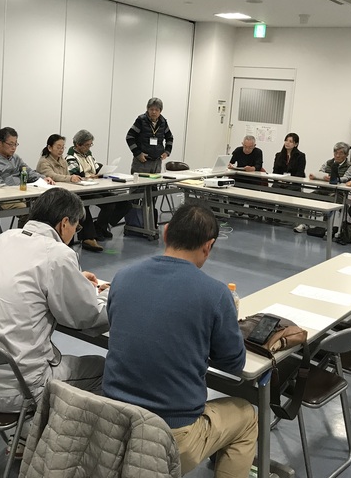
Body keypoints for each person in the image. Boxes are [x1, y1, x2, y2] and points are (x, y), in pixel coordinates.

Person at [103, 202, 256, 477]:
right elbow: (234, 364)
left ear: (165, 233)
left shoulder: (122, 277)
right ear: (208, 246)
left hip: (114, 425)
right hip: (170, 439)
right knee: (246, 414)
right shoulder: (215, 294)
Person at [0, 187, 109, 414]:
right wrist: (107, 296)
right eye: (76, 227)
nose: (74, 233)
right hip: (17, 390)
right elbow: (85, 317)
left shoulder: (4, 239)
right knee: (105, 370)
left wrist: (74, 279)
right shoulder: (58, 254)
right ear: (64, 223)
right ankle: (53, 432)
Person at [0, 127, 55, 245]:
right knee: (31, 211)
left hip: (22, 194)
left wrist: (42, 178)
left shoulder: (15, 158)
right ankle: (23, 241)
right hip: (4, 199)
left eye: (16, 144)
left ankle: (37, 239)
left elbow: (28, 172)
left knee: (47, 203)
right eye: (10, 144)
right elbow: (0, 187)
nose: (13, 147)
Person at [36, 133, 104, 252]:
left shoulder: (62, 160)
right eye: (58, 147)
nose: (61, 150)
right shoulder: (44, 161)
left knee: (81, 204)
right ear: (50, 147)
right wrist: (70, 178)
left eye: (63, 147)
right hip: (51, 196)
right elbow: (52, 175)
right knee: (79, 206)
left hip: (63, 192)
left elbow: (66, 175)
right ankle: (86, 236)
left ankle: (86, 236)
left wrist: (72, 179)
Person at [66, 129, 131, 240]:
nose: (89, 147)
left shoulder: (89, 155)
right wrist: (89, 177)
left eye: (90, 145)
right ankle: (99, 229)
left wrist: (102, 172)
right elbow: (75, 175)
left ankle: (100, 227)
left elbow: (97, 168)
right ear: (78, 144)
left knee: (125, 204)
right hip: (84, 190)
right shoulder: (70, 157)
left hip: (96, 186)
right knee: (109, 204)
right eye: (87, 145)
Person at [126, 97, 173, 174]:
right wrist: (137, 153)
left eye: (156, 110)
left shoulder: (163, 122)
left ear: (160, 111)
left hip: (157, 162)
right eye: (151, 109)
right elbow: (129, 137)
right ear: (147, 109)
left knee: (155, 182)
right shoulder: (141, 120)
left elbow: (170, 138)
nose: (154, 112)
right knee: (140, 182)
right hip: (142, 162)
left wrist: (167, 152)